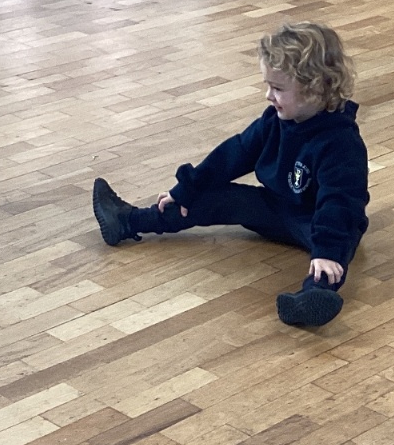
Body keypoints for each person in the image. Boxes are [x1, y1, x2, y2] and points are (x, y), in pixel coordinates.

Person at [91, 21, 368, 329]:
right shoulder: (274, 121)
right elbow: (234, 154)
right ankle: (128, 221)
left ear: (315, 87)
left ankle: (314, 295)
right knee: (210, 198)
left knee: (334, 254)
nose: (268, 95)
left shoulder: (341, 143)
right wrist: (187, 189)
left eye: (278, 89)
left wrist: (327, 250)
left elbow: (340, 201)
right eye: (268, 85)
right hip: (275, 207)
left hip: (322, 221)